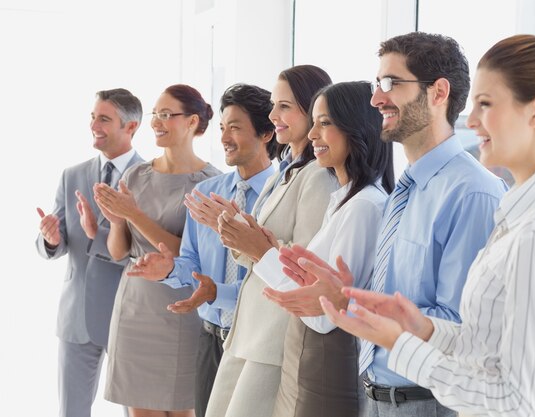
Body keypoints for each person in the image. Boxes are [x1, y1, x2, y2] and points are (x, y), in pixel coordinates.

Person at [321, 34, 535, 417]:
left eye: (486, 105)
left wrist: (400, 343)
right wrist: (420, 327)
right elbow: (486, 343)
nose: (471, 120)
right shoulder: (522, 212)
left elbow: (515, 401)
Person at [270, 32, 507, 417]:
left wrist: (353, 302)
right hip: (377, 396)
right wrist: (348, 293)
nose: (376, 98)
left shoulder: (471, 193)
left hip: (426, 403)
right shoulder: (405, 191)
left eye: (391, 83)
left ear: (438, 93)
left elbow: (462, 331)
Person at [126, 83, 278, 417]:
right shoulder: (206, 193)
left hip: (257, 344)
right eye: (223, 127)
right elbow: (190, 262)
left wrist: (215, 292)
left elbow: (271, 282)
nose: (224, 137)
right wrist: (169, 270)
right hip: (210, 340)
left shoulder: (280, 196)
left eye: (235, 128)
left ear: (266, 133)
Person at [202, 65, 336, 417]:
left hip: (272, 342)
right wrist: (232, 231)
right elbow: (256, 256)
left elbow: (304, 272)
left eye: (285, 107)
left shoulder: (318, 178)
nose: (273, 115)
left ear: (314, 110)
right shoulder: (287, 171)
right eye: (274, 106)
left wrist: (255, 244)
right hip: (246, 334)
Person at [252, 81, 393, 417]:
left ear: (358, 128)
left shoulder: (364, 207)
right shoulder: (343, 201)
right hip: (309, 361)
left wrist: (263, 255)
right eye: (314, 122)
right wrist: (275, 255)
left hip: (329, 369)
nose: (312, 134)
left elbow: (326, 316)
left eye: (325, 123)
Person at [94, 84, 221, 417]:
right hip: (136, 308)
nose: (157, 122)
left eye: (167, 115)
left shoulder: (211, 184)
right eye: (156, 114)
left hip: (182, 309)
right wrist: (118, 222)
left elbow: (193, 255)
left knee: (183, 409)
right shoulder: (136, 175)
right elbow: (120, 251)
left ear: (193, 121)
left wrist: (133, 214)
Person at [36, 88, 143, 417]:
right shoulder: (72, 174)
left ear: (131, 127)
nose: (94, 125)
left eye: (104, 119)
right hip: (76, 315)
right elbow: (58, 241)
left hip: (129, 314)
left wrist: (100, 233)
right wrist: (51, 239)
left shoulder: (148, 177)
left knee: (135, 410)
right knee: (71, 411)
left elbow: (143, 247)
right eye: (93, 117)